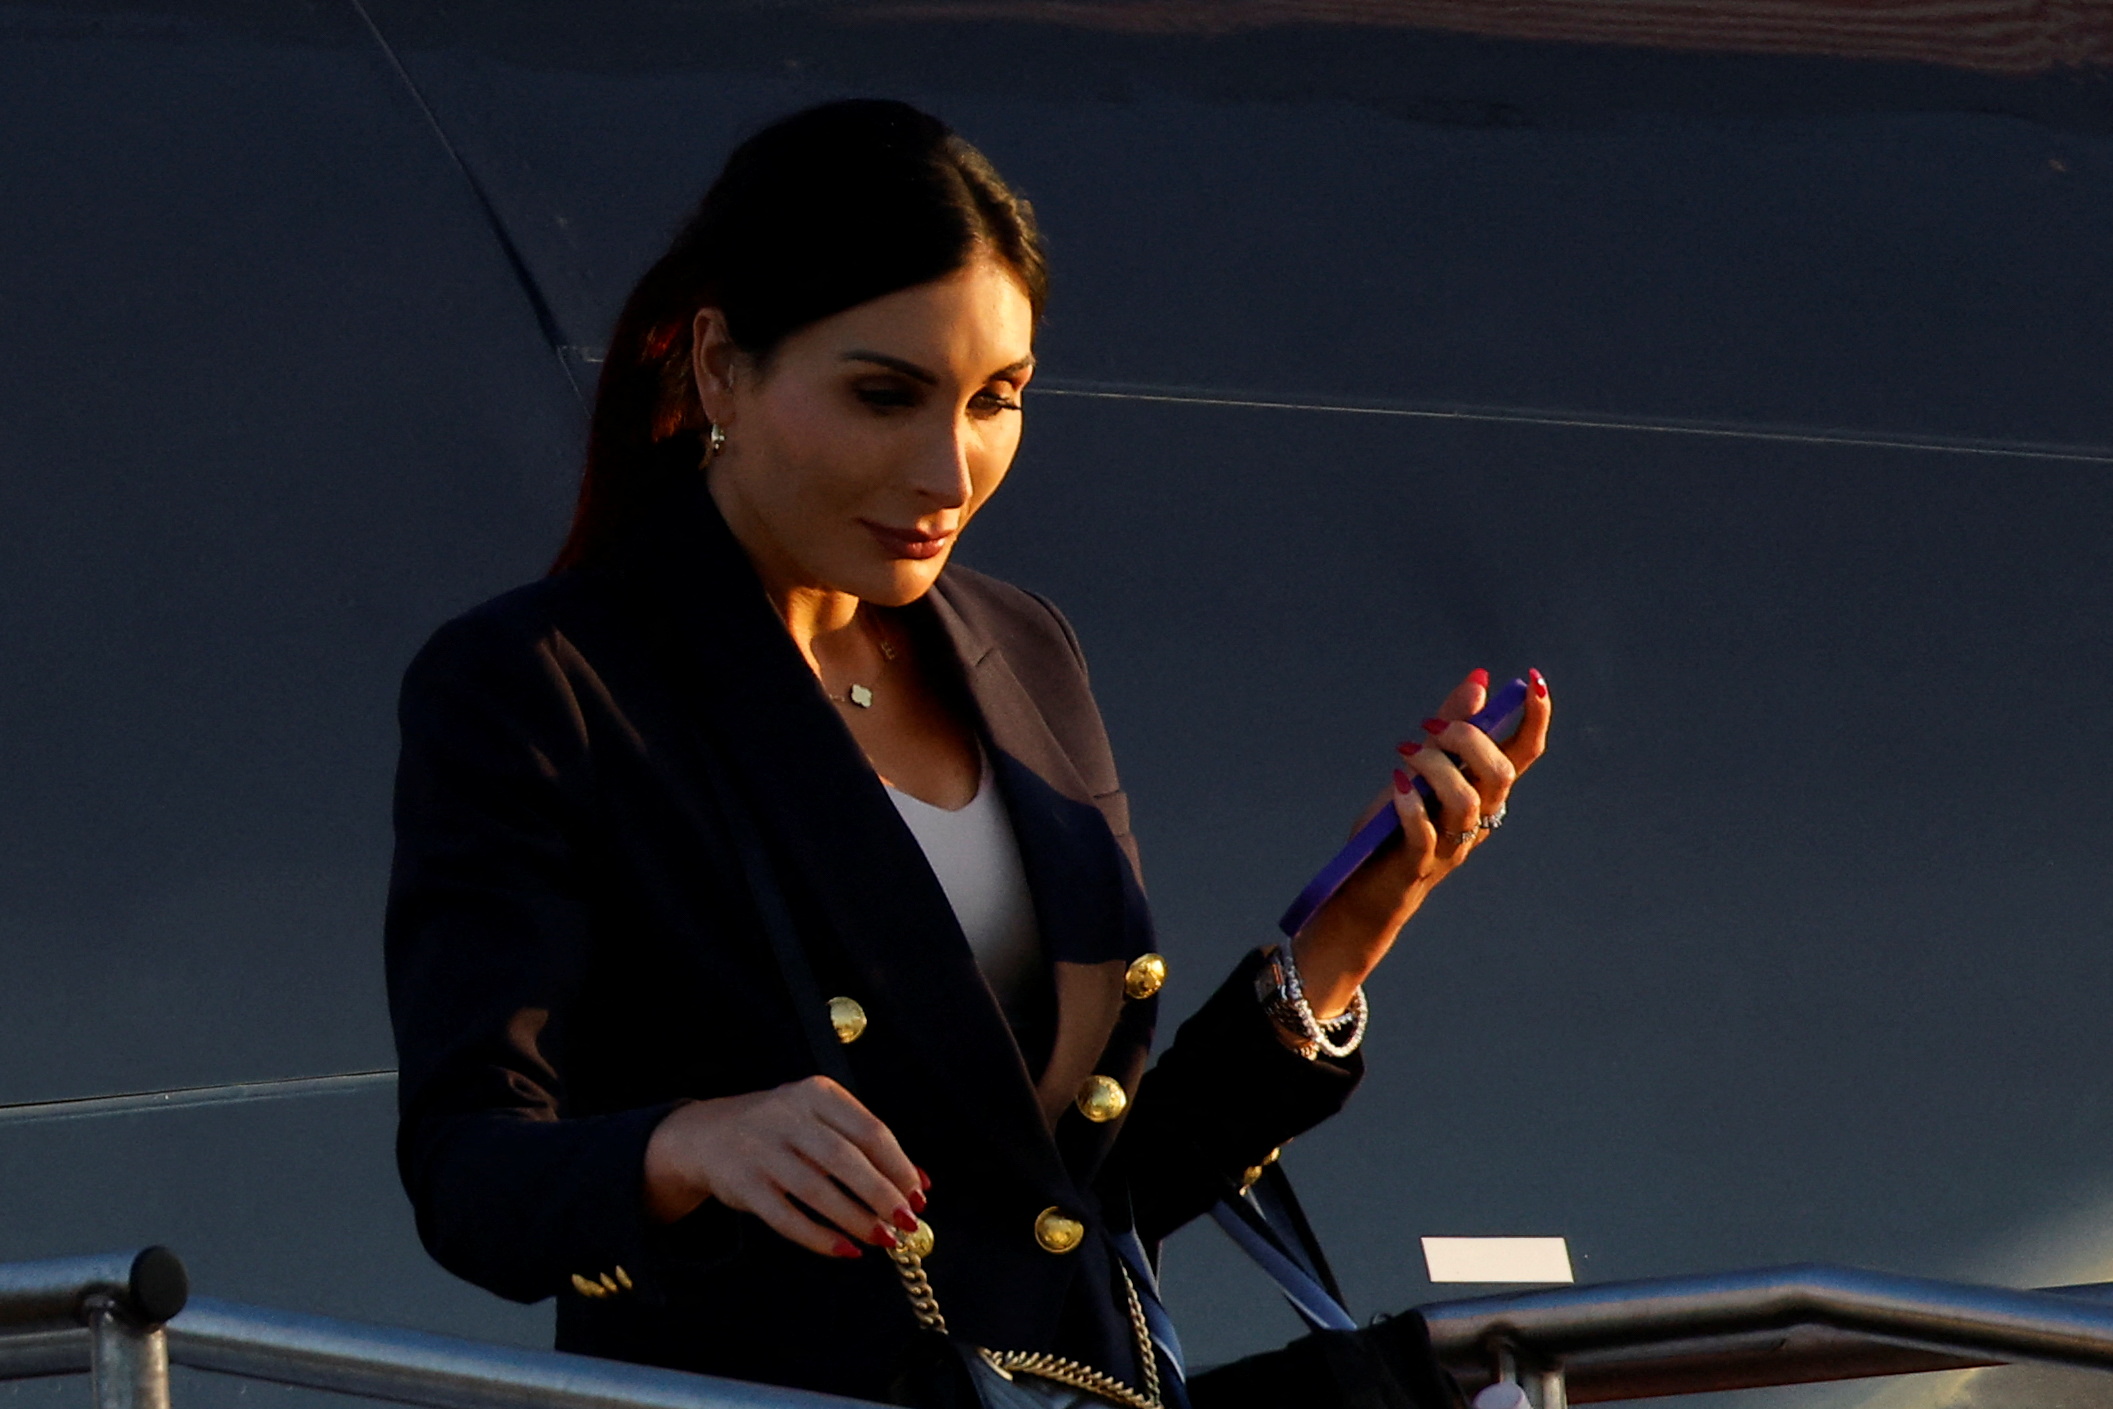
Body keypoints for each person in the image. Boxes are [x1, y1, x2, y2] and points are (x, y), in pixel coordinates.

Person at [385, 99, 1550, 1409]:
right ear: (720, 366)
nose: (949, 468)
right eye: (884, 395)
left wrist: (1355, 924)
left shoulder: (1020, 647)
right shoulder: (545, 683)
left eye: (996, 399)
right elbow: (468, 1169)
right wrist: (692, 1142)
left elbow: (1075, 1198)